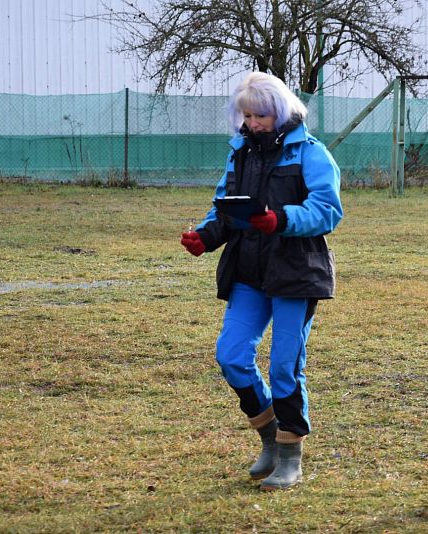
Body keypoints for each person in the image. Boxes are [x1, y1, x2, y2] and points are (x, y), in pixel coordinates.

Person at [180, 72, 343, 491]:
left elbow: (328, 210)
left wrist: (281, 220)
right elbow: (225, 206)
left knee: (285, 367)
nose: (253, 123)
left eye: (261, 115)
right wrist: (205, 235)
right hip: (248, 273)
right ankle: (270, 438)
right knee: (232, 356)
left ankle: (290, 456)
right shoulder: (239, 154)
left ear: (281, 111)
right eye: (247, 115)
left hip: (296, 273)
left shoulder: (311, 153)